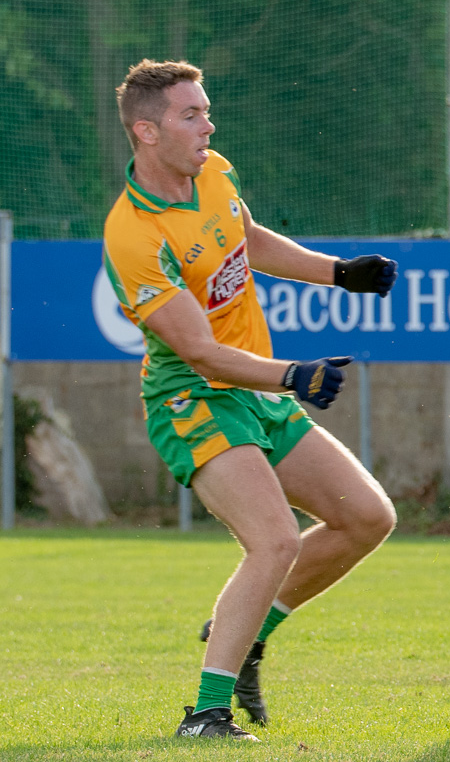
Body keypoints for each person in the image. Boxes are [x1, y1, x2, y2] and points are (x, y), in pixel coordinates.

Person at [103, 59, 399, 741]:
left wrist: (337, 274)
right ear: (147, 132)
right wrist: (292, 375)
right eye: (190, 115)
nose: (208, 124)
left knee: (366, 518)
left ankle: (245, 638)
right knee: (273, 542)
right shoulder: (133, 235)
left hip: (254, 388)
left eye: (206, 111)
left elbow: (247, 235)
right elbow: (200, 353)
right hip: (195, 397)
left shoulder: (212, 171)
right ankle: (205, 716)